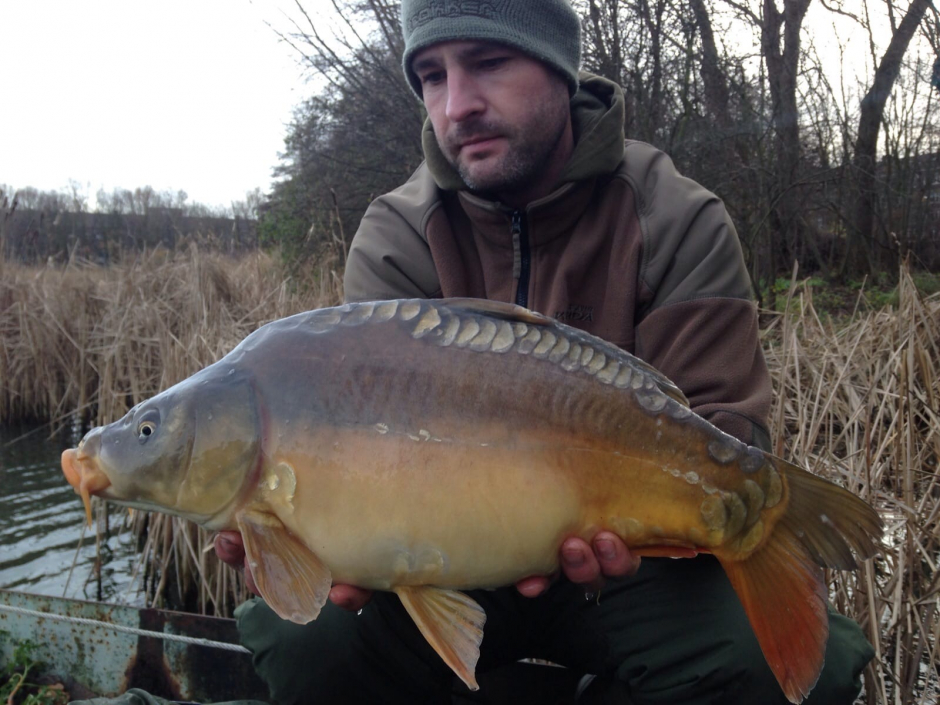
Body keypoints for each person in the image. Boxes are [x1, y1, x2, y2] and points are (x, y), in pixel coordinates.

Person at [214, 1, 875, 703]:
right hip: (447, 560)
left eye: (489, 63)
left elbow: (722, 428)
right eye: (432, 77)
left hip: (625, 580)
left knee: (793, 668)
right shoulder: (398, 234)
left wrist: (633, 515)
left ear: (560, 67)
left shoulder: (675, 216)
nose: (457, 104)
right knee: (306, 637)